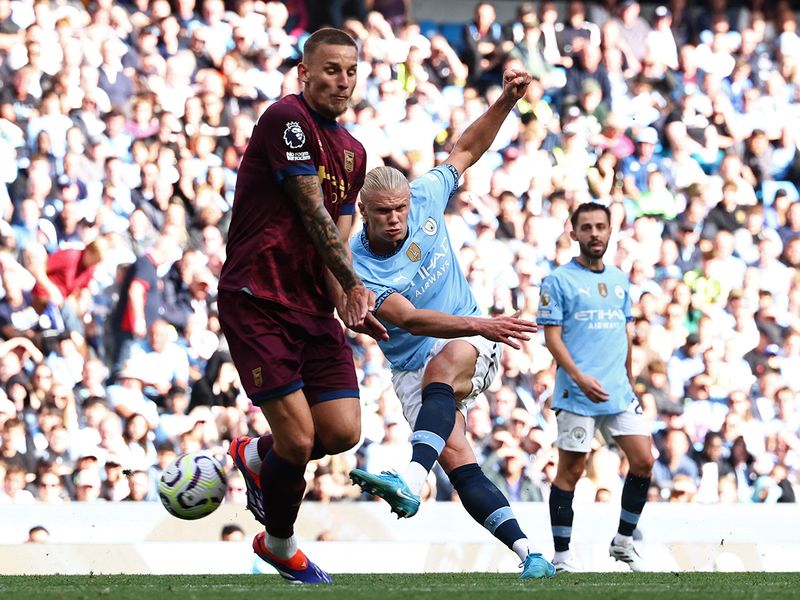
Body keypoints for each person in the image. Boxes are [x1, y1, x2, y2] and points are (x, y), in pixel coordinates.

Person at [347, 69, 555, 580]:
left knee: (443, 369)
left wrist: (506, 101)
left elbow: (467, 148)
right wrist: (480, 323)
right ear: (364, 212)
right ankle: (531, 555)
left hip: (467, 342)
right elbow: (408, 319)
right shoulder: (357, 266)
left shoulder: (425, 195)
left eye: (399, 209)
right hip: (418, 359)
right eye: (383, 213)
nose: (396, 219)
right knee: (460, 463)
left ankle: (409, 477)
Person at [219, 28, 385, 585]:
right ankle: (281, 545)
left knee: (340, 433)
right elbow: (311, 210)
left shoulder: (355, 153)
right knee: (300, 440)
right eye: (331, 69)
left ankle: (258, 457)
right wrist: (354, 282)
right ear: (305, 73)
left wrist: (348, 305)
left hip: (311, 306)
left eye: (350, 71)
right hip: (257, 296)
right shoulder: (285, 119)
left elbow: (339, 228)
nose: (342, 81)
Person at [537, 201, 655, 573]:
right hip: (577, 393)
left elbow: (624, 334)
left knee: (644, 461)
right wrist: (578, 377)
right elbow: (552, 339)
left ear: (609, 230)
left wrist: (631, 381)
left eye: (600, 227)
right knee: (570, 472)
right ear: (573, 233)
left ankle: (622, 542)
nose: (594, 234)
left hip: (618, 392)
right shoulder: (558, 281)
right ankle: (562, 556)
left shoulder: (620, 280)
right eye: (585, 227)